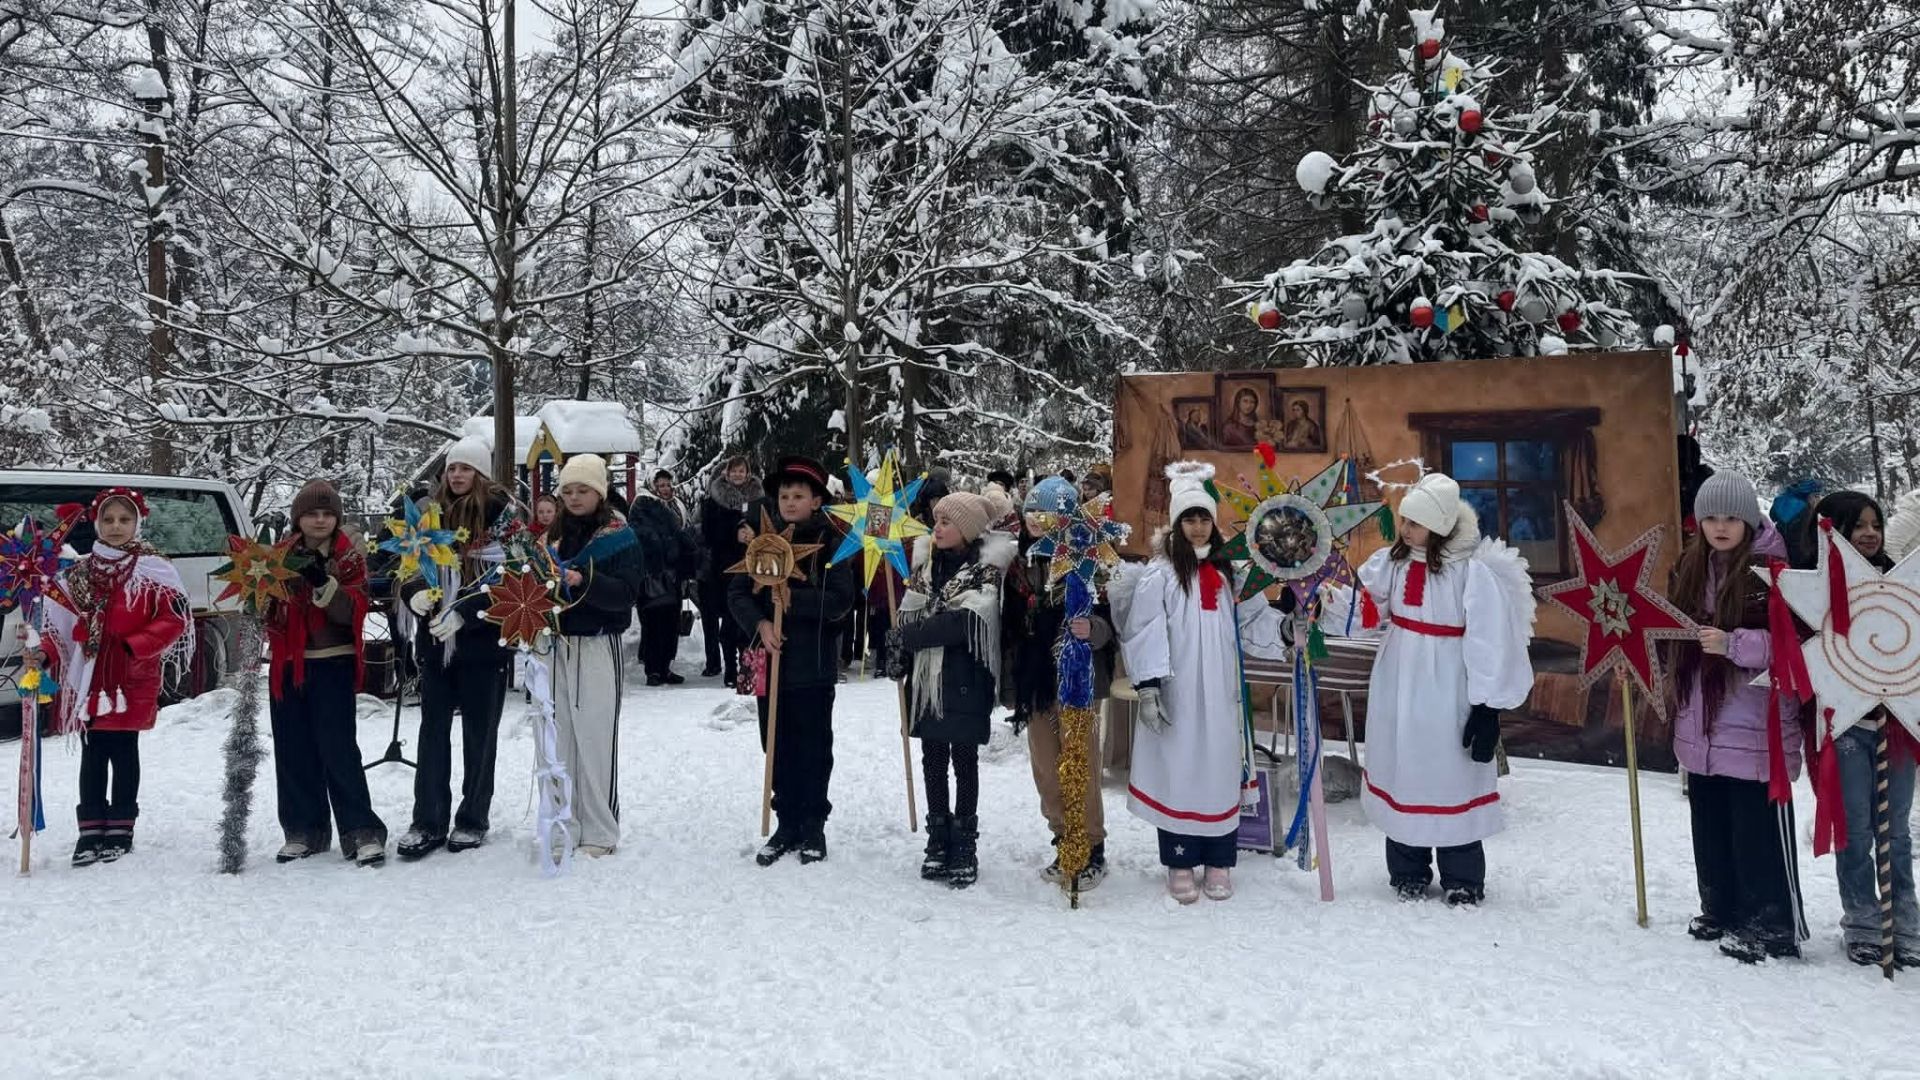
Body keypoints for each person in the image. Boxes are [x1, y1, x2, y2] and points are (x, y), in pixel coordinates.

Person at [1357, 473, 1535, 906]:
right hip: (1398, 680)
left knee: (1449, 774)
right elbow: (1364, 608)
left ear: (1438, 527)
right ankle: (1407, 868)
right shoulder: (1392, 564)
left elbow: (1489, 640)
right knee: (1404, 768)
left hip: (1449, 684)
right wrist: (1324, 598)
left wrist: (1487, 707)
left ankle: (1462, 875)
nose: (1406, 530)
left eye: (1414, 524)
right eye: (1404, 521)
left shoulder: (1470, 574)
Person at [1118, 464, 1288, 902]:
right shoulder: (1161, 574)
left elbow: (1253, 621)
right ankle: (1179, 860)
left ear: (1214, 522)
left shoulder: (1231, 572)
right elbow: (1145, 629)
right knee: (1180, 771)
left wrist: (1286, 631)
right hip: (1178, 692)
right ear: (1177, 524)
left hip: (1223, 694)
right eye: (1189, 519)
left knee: (1217, 772)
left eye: (1204, 518)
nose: (1197, 527)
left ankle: (1218, 862)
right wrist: (1150, 686)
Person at [1667, 471, 1807, 963]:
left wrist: (1735, 645)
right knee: (1710, 823)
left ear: (1749, 519)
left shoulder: (1776, 572)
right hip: (1701, 723)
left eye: (1731, 517)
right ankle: (1721, 906)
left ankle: (1770, 923)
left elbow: (1799, 647)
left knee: (1755, 831)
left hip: (1755, 722)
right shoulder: (1689, 567)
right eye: (1711, 518)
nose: (1720, 527)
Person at [29, 489, 192, 866]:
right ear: (96, 522)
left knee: (124, 750)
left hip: (130, 677)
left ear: (138, 523)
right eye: (108, 519)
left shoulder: (155, 571)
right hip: (88, 677)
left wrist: (135, 646)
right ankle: (90, 828)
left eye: (124, 519)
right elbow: (60, 627)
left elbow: (173, 619)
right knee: (92, 752)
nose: (116, 526)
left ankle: (120, 825)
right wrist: (43, 653)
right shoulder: (79, 575)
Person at [1807, 491, 1918, 967]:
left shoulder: (1904, 582)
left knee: (1895, 830)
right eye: (1858, 525)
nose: (1870, 532)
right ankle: (1862, 921)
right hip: (1850, 726)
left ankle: (1905, 920)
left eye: (1875, 523)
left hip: (1898, 725)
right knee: (1854, 828)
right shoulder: (1818, 588)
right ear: (1837, 530)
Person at [729, 455, 857, 866]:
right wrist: (762, 622)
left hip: (812, 662)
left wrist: (794, 601)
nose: (789, 501)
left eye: (798, 495)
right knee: (774, 741)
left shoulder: (833, 544)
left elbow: (841, 602)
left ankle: (813, 823)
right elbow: (736, 596)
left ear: (816, 500)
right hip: (765, 660)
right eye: (784, 494)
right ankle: (785, 820)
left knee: (813, 744)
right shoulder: (760, 543)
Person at [396, 437, 512, 861]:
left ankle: (472, 818)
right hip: (435, 642)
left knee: (479, 734)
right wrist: (413, 594)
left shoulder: (503, 518)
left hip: (483, 644)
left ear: (481, 474)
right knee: (432, 733)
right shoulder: (429, 515)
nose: (457, 475)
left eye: (466, 468)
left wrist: (471, 610)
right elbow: (409, 563)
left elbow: (514, 575)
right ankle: (427, 819)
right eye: (452, 468)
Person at [893, 491, 1016, 889]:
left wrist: (908, 636)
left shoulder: (985, 571)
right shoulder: (923, 568)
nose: (938, 528)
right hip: (928, 681)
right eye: (936, 521)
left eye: (947, 522)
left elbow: (962, 623)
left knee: (963, 761)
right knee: (932, 760)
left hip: (966, 679)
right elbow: (910, 611)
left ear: (966, 529)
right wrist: (899, 655)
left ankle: (965, 842)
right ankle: (937, 838)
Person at [264, 480, 388, 866]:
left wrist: (324, 584)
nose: (319, 520)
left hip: (331, 660)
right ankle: (305, 828)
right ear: (298, 518)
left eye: (327, 513)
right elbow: (261, 602)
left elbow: (355, 609)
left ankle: (360, 829)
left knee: (338, 748)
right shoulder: (276, 557)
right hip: (288, 662)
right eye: (312, 513)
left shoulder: (349, 557)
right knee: (293, 748)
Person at [1003, 476, 1117, 890]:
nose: (1036, 521)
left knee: (1078, 763)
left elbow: (1109, 624)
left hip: (1077, 679)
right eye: (1031, 512)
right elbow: (1009, 627)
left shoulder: (1089, 563)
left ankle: (1090, 846)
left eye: (1046, 514)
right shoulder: (1017, 565)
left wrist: (1093, 629)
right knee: (1047, 767)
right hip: (1035, 680)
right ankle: (1062, 838)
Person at [545, 454, 647, 857]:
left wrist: (585, 578)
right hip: (555, 644)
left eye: (582, 490)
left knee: (595, 736)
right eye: (567, 490)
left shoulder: (619, 536)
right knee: (559, 738)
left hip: (597, 642)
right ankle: (562, 824)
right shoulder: (551, 536)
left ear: (599, 492)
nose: (574, 497)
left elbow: (626, 593)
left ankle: (600, 830)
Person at [630, 472, 700, 685]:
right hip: (652, 574)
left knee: (670, 623)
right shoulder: (642, 506)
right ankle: (653, 669)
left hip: (672, 575)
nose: (665, 488)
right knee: (653, 623)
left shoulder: (676, 506)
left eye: (668, 484)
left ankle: (665, 667)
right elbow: (643, 537)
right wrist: (667, 545)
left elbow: (683, 534)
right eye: (660, 485)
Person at [700, 455, 760, 683]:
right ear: (726, 473)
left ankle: (750, 671)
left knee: (751, 620)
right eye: (733, 471)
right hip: (725, 567)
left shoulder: (758, 497)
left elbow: (768, 525)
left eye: (742, 471)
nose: (738, 475)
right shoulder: (714, 499)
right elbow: (708, 532)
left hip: (754, 567)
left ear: (748, 473)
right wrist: (733, 533)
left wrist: (755, 534)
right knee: (730, 622)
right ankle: (731, 670)